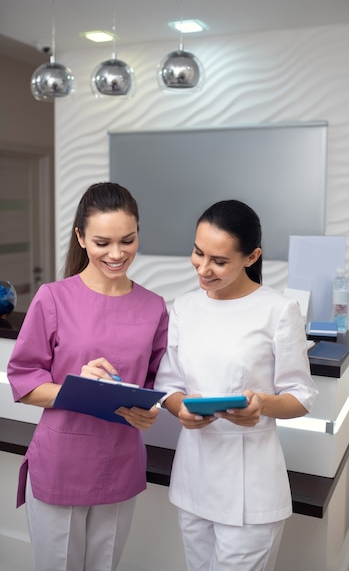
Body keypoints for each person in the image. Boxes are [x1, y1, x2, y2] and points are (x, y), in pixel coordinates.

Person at [7, 182, 168, 571]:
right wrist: (74, 387)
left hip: (121, 461)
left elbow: (153, 386)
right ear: (80, 237)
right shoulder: (53, 297)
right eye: (102, 242)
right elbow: (23, 380)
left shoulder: (154, 307)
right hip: (61, 462)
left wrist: (152, 411)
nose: (117, 254)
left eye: (127, 240)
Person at [154, 199, 318, 571]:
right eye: (198, 253)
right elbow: (169, 383)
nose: (204, 268)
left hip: (251, 488)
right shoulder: (184, 306)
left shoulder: (277, 310)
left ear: (251, 256)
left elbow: (301, 395)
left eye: (220, 261)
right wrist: (180, 408)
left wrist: (261, 404)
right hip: (194, 476)